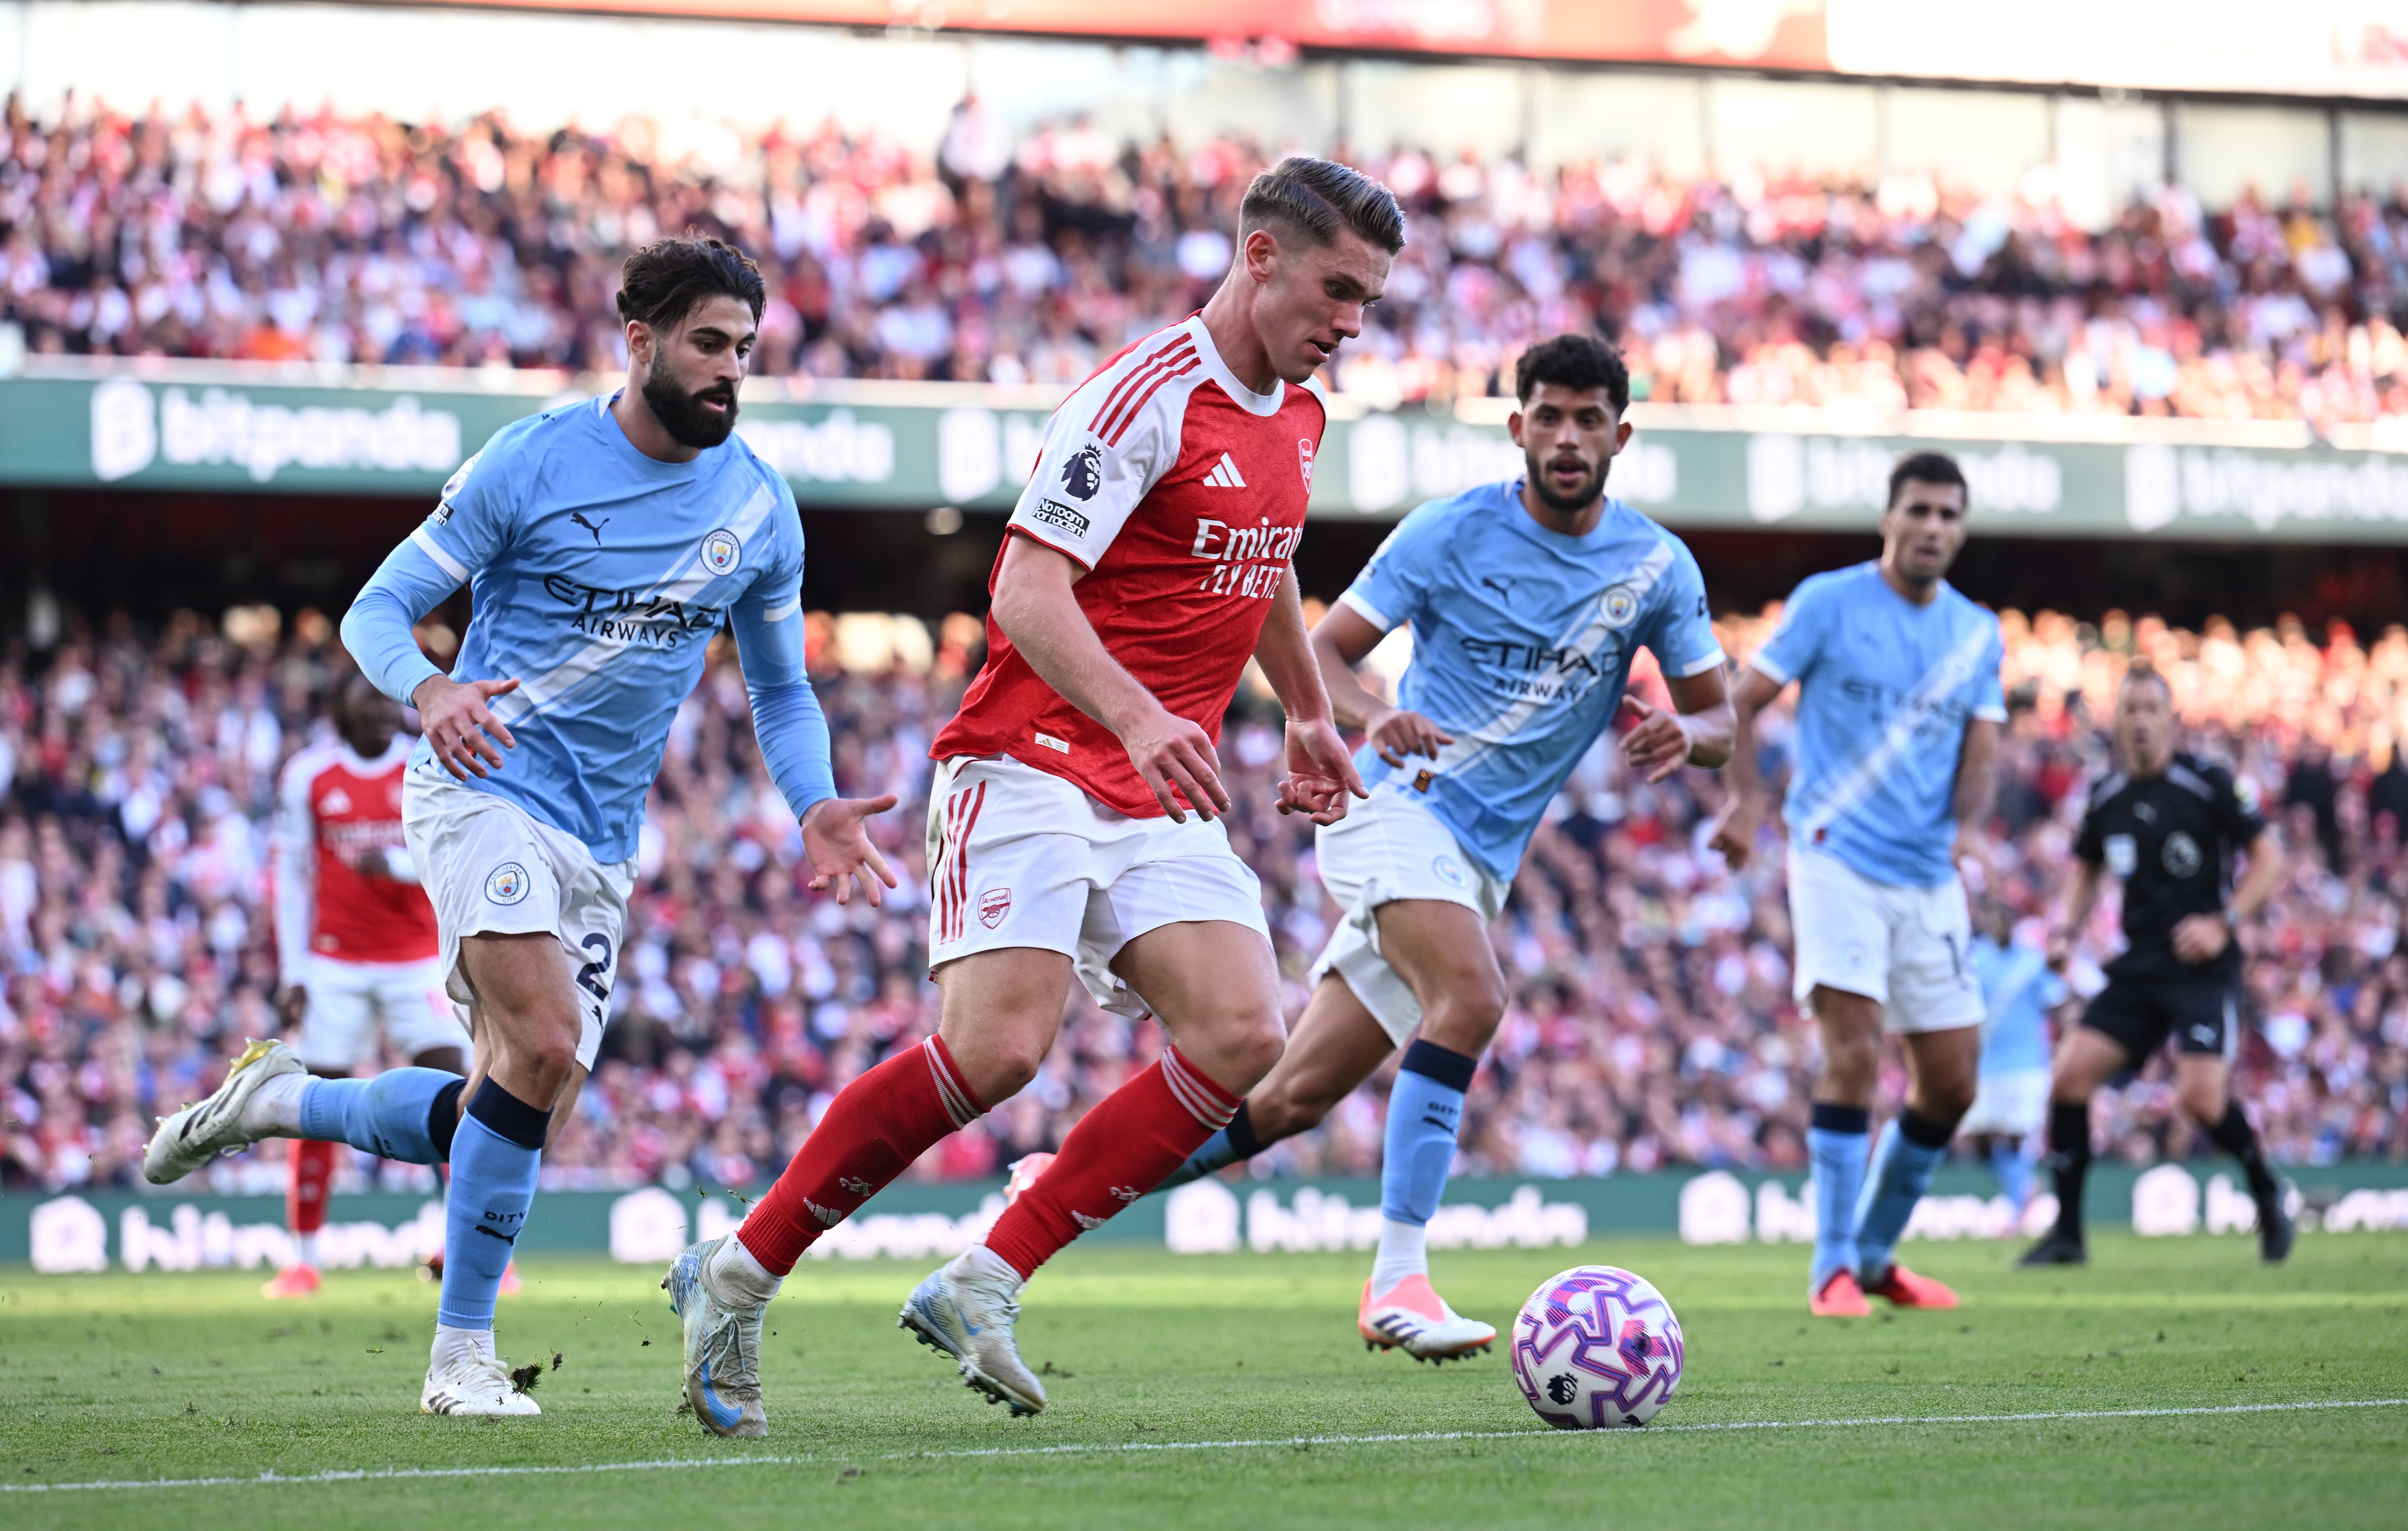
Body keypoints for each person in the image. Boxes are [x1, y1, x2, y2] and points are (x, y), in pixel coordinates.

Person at [663, 156, 1401, 1435]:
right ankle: (736, 1271)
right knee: (1000, 1048)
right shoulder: (1138, 398)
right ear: (1261, 254)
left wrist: (1308, 712)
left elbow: (1263, 559)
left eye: (1370, 302)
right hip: (1030, 751)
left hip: (1148, 774)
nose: (1349, 321)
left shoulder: (1299, 414)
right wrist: (1134, 711)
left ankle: (983, 1273)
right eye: (1336, 287)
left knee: (1242, 1036)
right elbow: (1023, 591)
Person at [142, 235, 894, 1418]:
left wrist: (815, 807)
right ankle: (460, 1360)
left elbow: (780, 688)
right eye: (707, 344)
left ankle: (281, 1105)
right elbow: (377, 610)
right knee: (541, 1043)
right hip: (480, 783)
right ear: (637, 338)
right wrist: (431, 692)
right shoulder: (531, 462)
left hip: (601, 839)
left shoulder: (758, 505)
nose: (729, 372)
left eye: (744, 350)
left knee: (509, 1098)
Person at [1150, 332, 1732, 1361]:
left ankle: (1069, 1182)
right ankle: (1399, 1280)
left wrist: (1688, 736)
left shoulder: (1655, 568)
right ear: (1515, 427)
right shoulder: (1447, 533)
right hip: (1391, 807)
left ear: (1619, 434)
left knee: (1289, 1099)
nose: (1564, 438)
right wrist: (1371, 715)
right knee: (1470, 999)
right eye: (1545, 417)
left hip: (1474, 863)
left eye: (1586, 420)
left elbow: (1720, 722)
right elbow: (1312, 657)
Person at [1709, 452, 2003, 1318]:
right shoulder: (1827, 602)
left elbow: (1981, 745)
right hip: (1833, 854)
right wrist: (1743, 803)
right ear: (1888, 518)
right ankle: (1831, 1267)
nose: (1933, 529)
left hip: (1925, 874)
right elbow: (1741, 697)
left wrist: (1972, 832)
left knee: (1950, 1083)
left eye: (1949, 515)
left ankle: (1874, 1256)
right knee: (1855, 1051)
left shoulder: (1976, 632)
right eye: (1918, 511)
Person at [2020, 664, 2291, 1266]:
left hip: (2201, 965)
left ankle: (2267, 1193)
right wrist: (2065, 931)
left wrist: (2222, 921)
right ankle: (2066, 1233)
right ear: (2115, 722)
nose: (2139, 721)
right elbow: (2086, 868)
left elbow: (2268, 856)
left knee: (2198, 1100)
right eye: (2129, 710)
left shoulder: (2207, 784)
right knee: (2067, 1080)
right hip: (2138, 966)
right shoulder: (2105, 795)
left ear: (2169, 720)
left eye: (2150, 710)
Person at [261, 671, 469, 1300]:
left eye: (389, 701)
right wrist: (293, 970)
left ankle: (469, 1247)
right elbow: (293, 878)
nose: (383, 713)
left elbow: (457, 851)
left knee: (458, 1099)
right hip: (335, 965)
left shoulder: (427, 766)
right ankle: (303, 1258)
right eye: (368, 702)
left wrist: (401, 865)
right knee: (314, 1103)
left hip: (416, 960)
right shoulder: (308, 776)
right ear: (341, 712)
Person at [1959, 899, 2062, 1226]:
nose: (1999, 924)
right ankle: (2024, 1186)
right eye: (1993, 917)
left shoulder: (2032, 962)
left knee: (2017, 1134)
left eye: (2005, 918)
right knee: (1980, 1139)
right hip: (1985, 1063)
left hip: (2026, 1063)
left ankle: (2017, 1206)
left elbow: (2056, 1001)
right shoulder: (1973, 959)